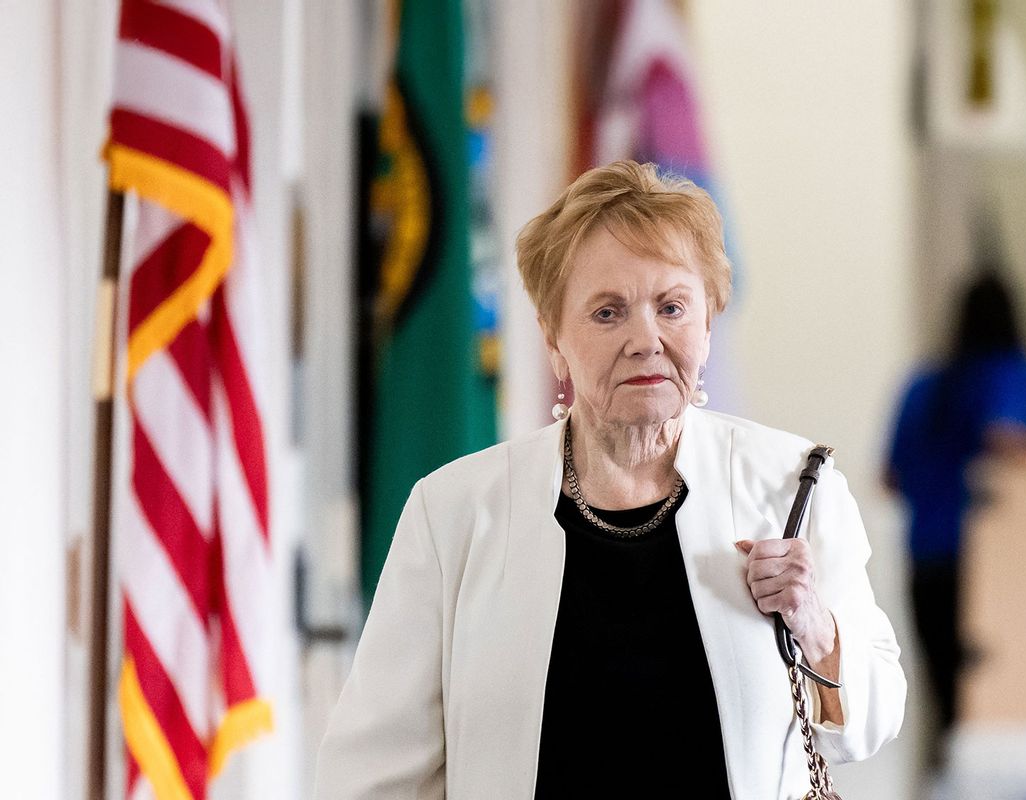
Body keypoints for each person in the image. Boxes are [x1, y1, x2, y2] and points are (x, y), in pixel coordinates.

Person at [314, 160, 905, 798]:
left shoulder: (792, 487)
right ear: (553, 338)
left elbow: (873, 721)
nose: (646, 338)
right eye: (607, 312)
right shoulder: (455, 512)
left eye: (673, 306)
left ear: (708, 323)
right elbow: (368, 777)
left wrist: (816, 627)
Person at [884, 271, 1026, 768]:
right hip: (1003, 562)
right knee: (998, 707)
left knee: (946, 700)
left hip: (930, 555)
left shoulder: (924, 385)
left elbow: (891, 475)